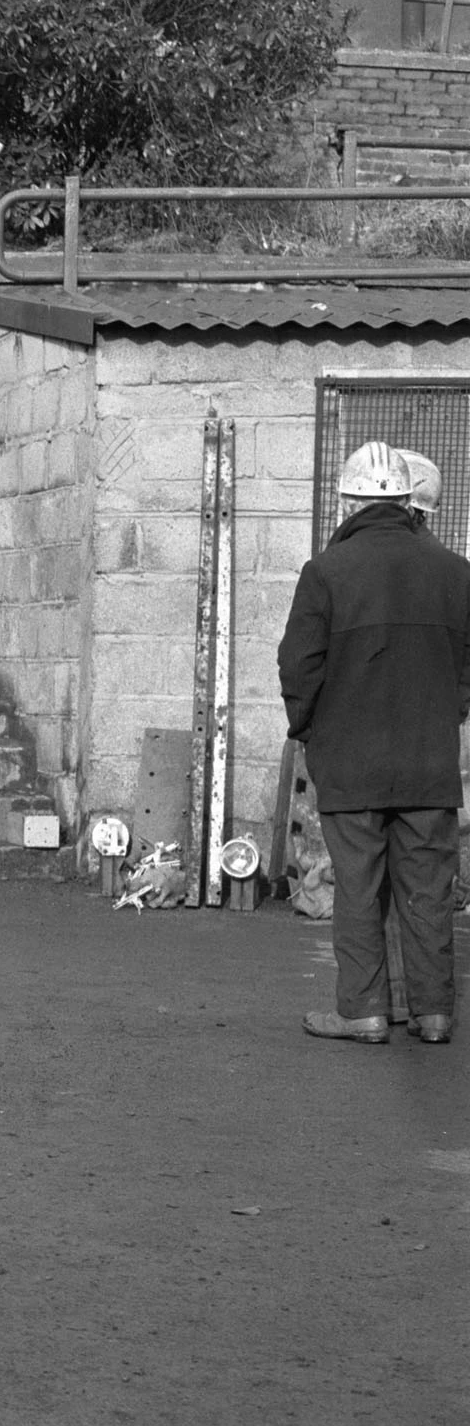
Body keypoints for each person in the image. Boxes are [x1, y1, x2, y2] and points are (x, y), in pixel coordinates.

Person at [277, 439, 470, 1044]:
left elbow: (298, 667)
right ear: (408, 500)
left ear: (349, 501)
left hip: (351, 760)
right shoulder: (455, 571)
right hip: (429, 760)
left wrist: (308, 728)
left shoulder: (326, 572)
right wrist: (450, 714)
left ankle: (362, 1010)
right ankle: (433, 1013)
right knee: (429, 888)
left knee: (358, 886)